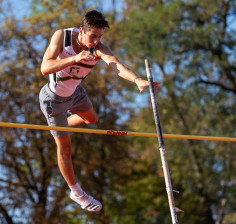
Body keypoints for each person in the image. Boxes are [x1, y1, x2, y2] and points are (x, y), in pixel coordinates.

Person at [39, 10, 161, 212]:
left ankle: (58, 128)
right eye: (92, 36)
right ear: (81, 31)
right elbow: (45, 67)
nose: (96, 41)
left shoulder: (99, 48)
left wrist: (137, 80)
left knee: (92, 119)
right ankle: (76, 192)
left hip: (75, 93)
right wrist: (74, 58)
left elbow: (117, 67)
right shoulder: (62, 36)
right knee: (65, 147)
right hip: (54, 98)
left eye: (100, 36)